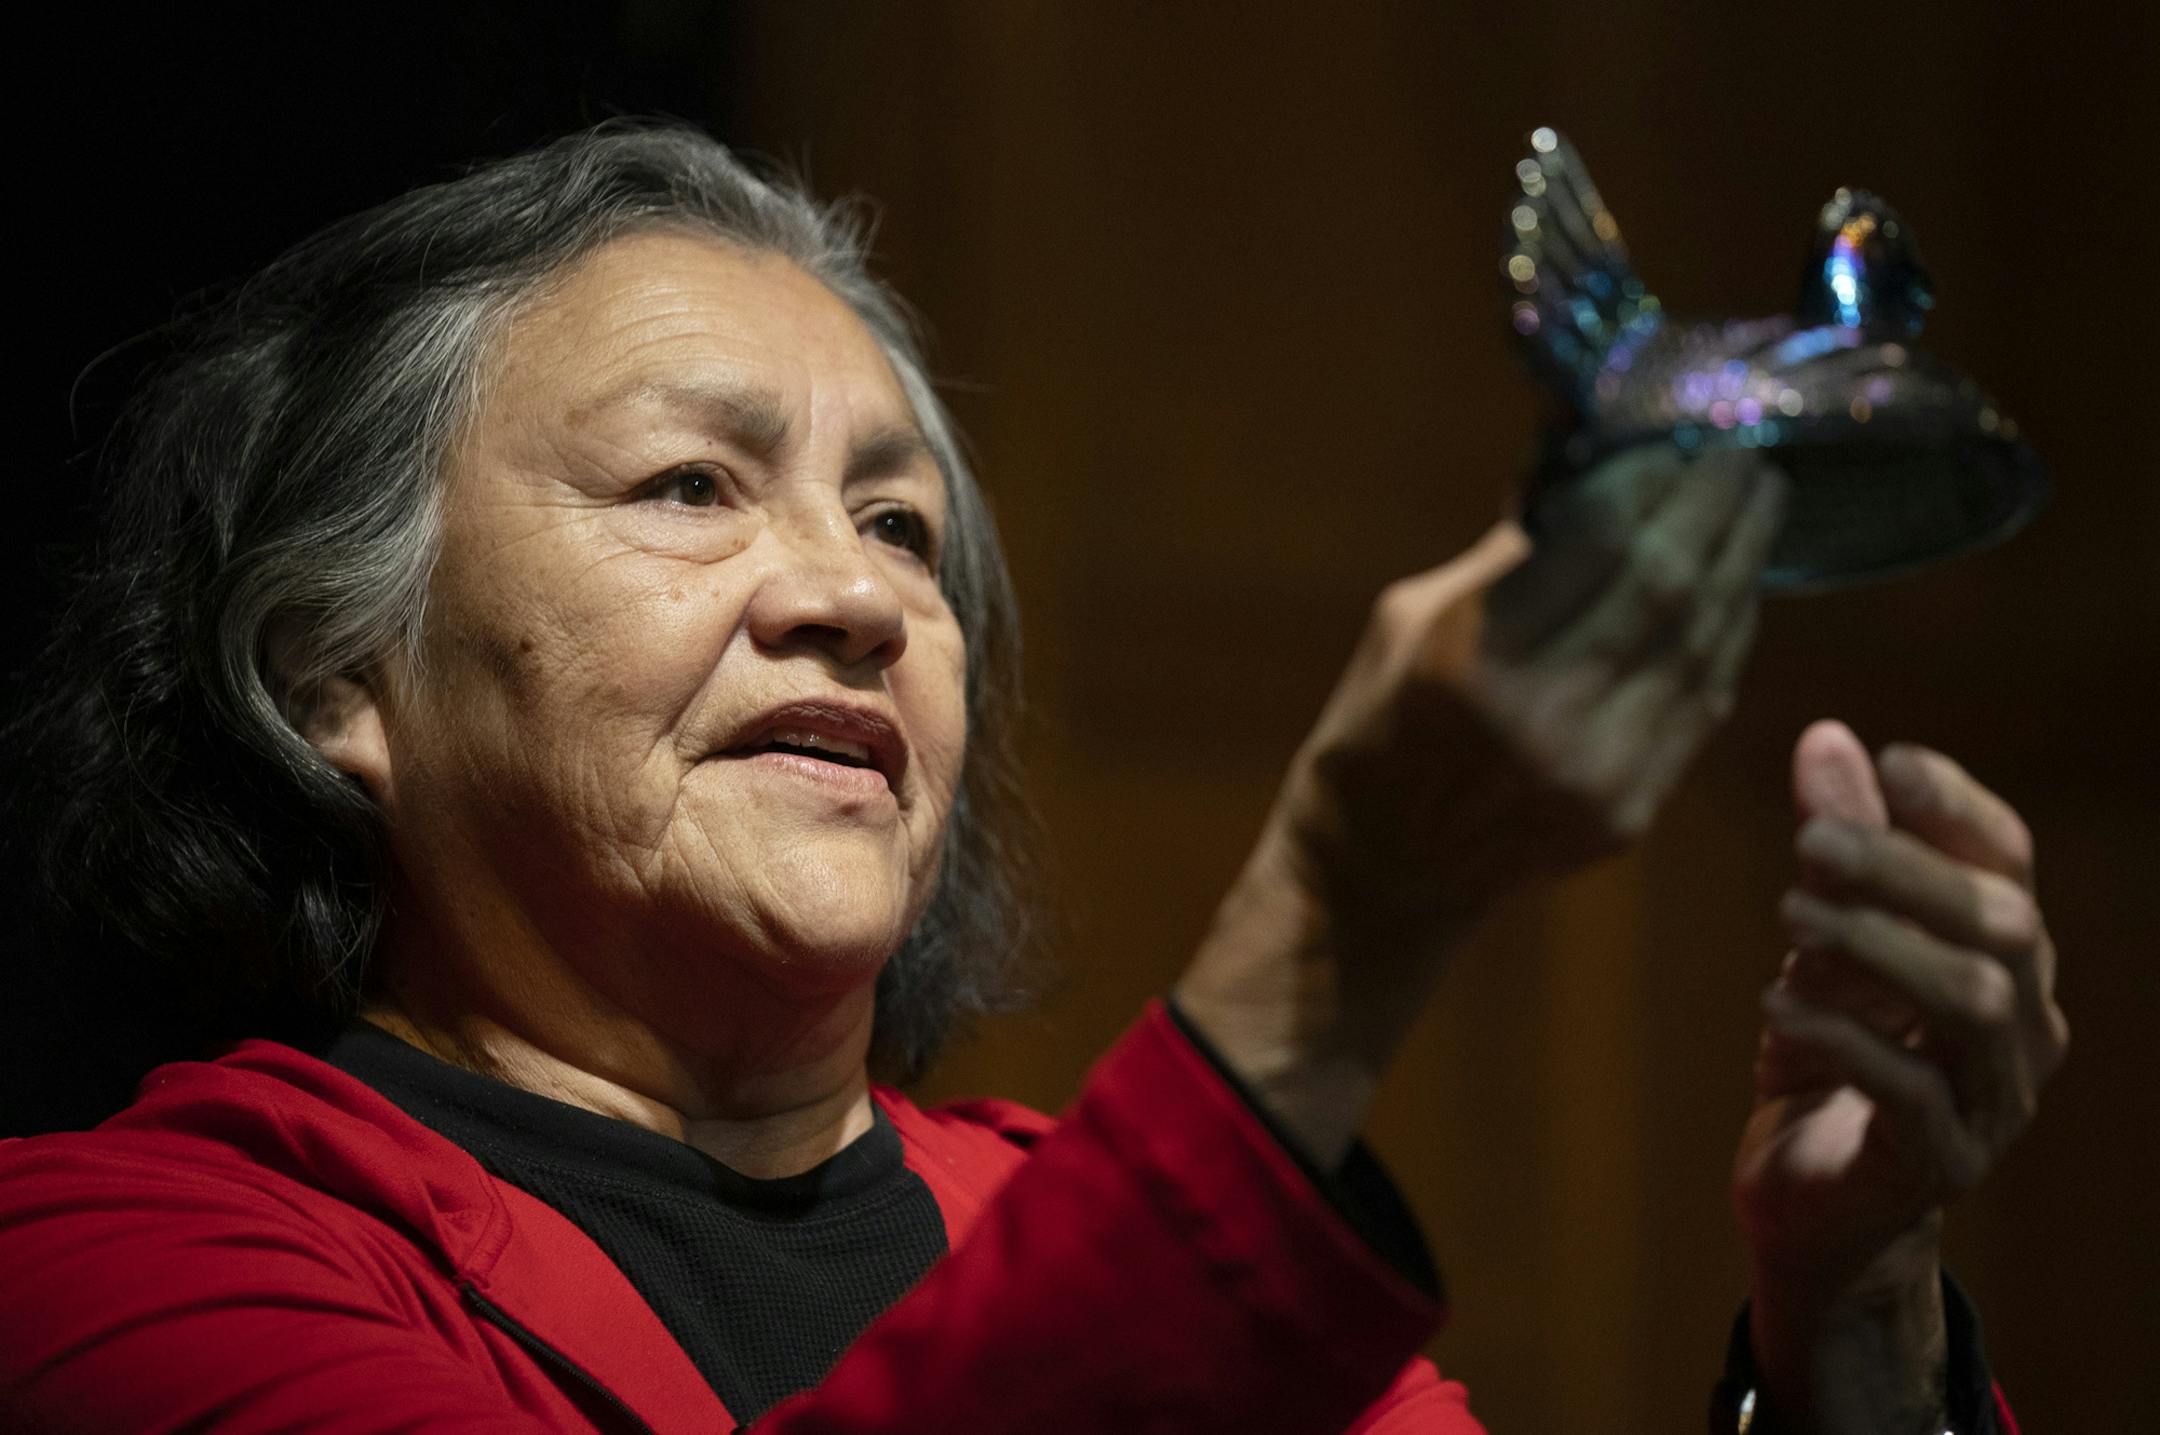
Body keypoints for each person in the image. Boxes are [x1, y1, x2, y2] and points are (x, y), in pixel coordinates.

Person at [0, 122, 2064, 1434]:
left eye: (902, 527)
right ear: (339, 671)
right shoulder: (106, 1258)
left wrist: (1852, 1318)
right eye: (690, 483)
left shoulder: (1163, 1262)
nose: (850, 592)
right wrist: (1335, 930)